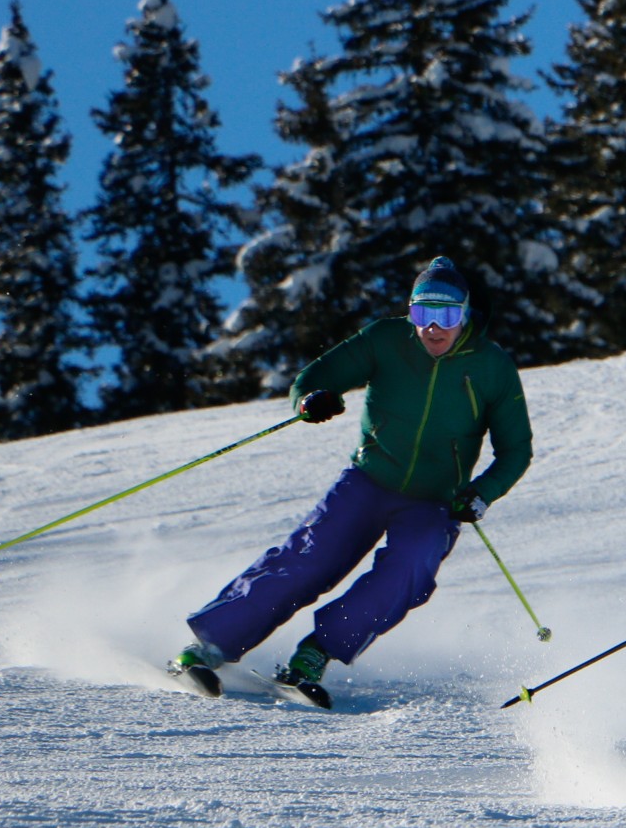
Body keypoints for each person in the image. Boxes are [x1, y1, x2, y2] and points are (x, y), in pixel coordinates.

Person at [168, 257, 533, 706]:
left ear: (466, 315)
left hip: (435, 502)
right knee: (310, 558)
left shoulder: (493, 367)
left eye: (447, 315)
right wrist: (310, 399)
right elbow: (314, 378)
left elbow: (516, 450)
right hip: (368, 481)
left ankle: (314, 656)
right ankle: (208, 648)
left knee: (409, 570)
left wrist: (481, 493)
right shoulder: (385, 340)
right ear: (410, 312)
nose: (433, 328)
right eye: (423, 314)